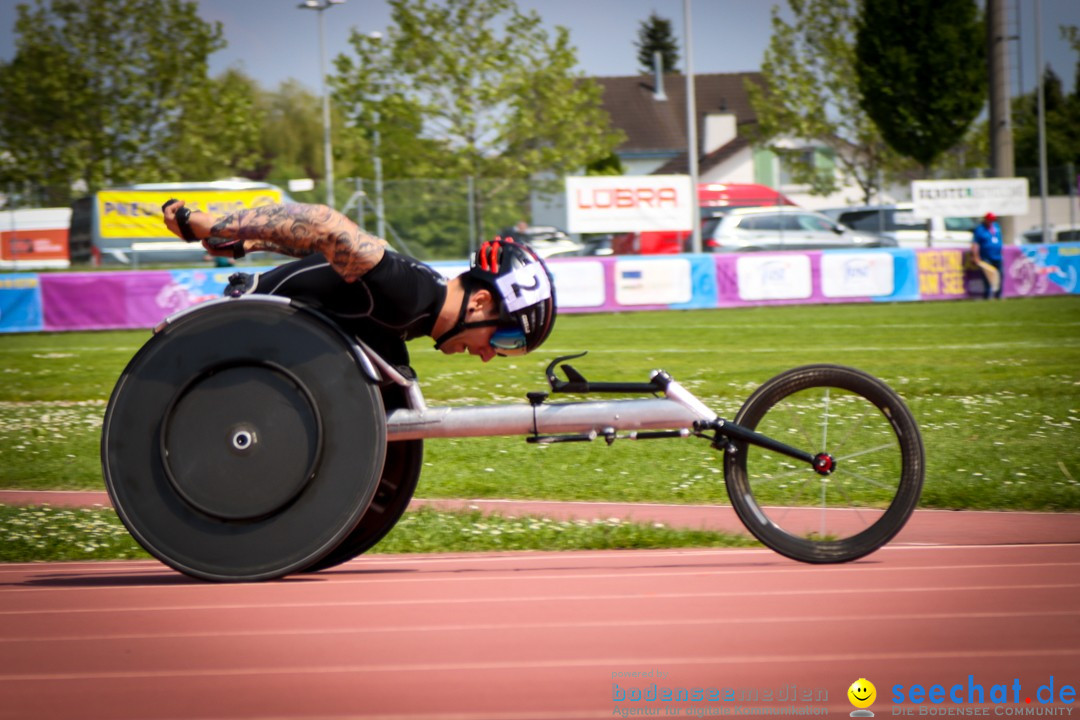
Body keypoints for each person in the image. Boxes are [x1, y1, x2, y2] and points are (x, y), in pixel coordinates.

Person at [161, 200, 555, 372]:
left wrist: (249, 243)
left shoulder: (420, 300)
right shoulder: (410, 294)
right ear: (481, 301)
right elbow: (322, 224)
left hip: (255, 336)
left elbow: (330, 259)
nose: (489, 356)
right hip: (232, 338)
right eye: (504, 340)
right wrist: (213, 225)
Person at [971, 212, 1003, 300]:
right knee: (988, 277)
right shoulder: (980, 229)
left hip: (998, 256)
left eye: (992, 219)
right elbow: (975, 244)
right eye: (989, 219)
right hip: (986, 257)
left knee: (999, 276)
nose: (991, 221)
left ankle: (998, 296)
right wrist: (975, 256)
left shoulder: (996, 227)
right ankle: (987, 296)